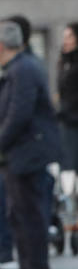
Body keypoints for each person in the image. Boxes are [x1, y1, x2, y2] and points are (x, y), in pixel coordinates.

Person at [0, 19, 60, 269]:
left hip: (27, 153)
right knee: (18, 213)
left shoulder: (23, 69)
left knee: (30, 212)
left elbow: (19, 114)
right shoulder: (18, 68)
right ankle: (27, 266)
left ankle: (38, 268)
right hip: (19, 154)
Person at [55, 23, 78, 239]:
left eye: (70, 35)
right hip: (67, 124)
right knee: (68, 172)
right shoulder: (63, 63)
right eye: (65, 36)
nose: (66, 40)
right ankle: (72, 216)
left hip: (74, 121)